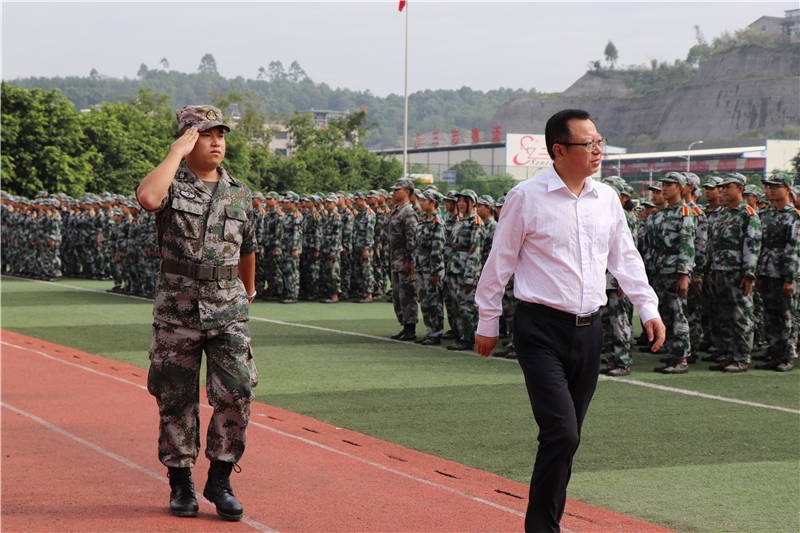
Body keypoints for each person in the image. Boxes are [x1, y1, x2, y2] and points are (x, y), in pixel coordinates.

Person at [474, 109, 665, 533]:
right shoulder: (526, 197)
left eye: (600, 142)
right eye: (588, 144)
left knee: (567, 439)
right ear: (559, 151)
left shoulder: (608, 199)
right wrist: (487, 320)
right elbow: (499, 262)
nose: (598, 151)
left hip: (589, 330)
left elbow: (625, 258)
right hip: (539, 328)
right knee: (561, 432)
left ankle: (547, 522)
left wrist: (647, 308)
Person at [136, 105, 258, 521]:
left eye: (220, 134)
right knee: (176, 399)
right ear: (188, 138)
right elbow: (148, 198)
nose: (217, 141)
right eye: (206, 134)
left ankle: (220, 479)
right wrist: (174, 153)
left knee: (237, 392)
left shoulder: (239, 192)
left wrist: (249, 289)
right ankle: (181, 482)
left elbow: (247, 248)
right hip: (177, 311)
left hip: (229, 312)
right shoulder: (171, 184)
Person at [387, 177, 419, 341]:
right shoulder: (397, 210)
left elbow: (412, 238)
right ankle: (405, 325)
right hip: (396, 258)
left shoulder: (408, 212)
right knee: (398, 294)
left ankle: (410, 328)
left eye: (396, 190)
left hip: (404, 259)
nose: (393, 193)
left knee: (407, 293)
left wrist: (410, 260)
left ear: (407, 192)